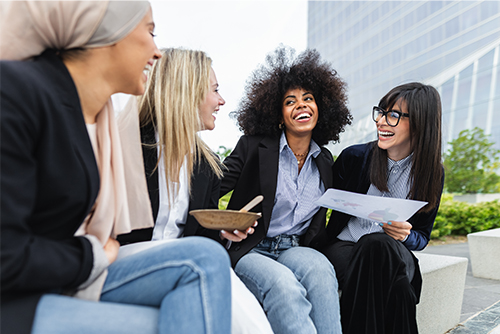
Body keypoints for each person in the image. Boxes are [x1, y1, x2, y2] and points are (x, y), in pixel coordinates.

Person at [0, 2, 231, 334]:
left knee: (204, 264)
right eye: (150, 32)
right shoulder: (17, 92)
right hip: (17, 298)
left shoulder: (97, 120)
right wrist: (92, 254)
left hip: (66, 275)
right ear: (109, 33)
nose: (158, 53)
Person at [117, 48, 273, 334]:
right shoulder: (125, 145)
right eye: (215, 90)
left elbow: (203, 239)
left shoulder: (207, 165)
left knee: (219, 276)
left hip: (184, 265)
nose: (221, 101)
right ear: (186, 91)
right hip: (124, 262)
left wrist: (225, 234)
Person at [220, 46, 352, 334]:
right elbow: (214, 186)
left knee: (321, 272)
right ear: (279, 115)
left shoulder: (325, 160)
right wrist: (219, 228)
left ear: (322, 108)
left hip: (295, 247)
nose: (301, 105)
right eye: (290, 101)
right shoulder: (253, 145)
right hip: (251, 248)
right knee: (284, 286)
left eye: (308, 99)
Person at [321, 82, 444, 334]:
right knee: (397, 286)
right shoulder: (354, 158)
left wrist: (406, 235)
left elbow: (422, 238)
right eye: (381, 112)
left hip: (396, 252)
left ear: (421, 122)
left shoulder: (431, 173)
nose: (382, 121)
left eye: (394, 115)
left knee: (379, 245)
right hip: (346, 249)